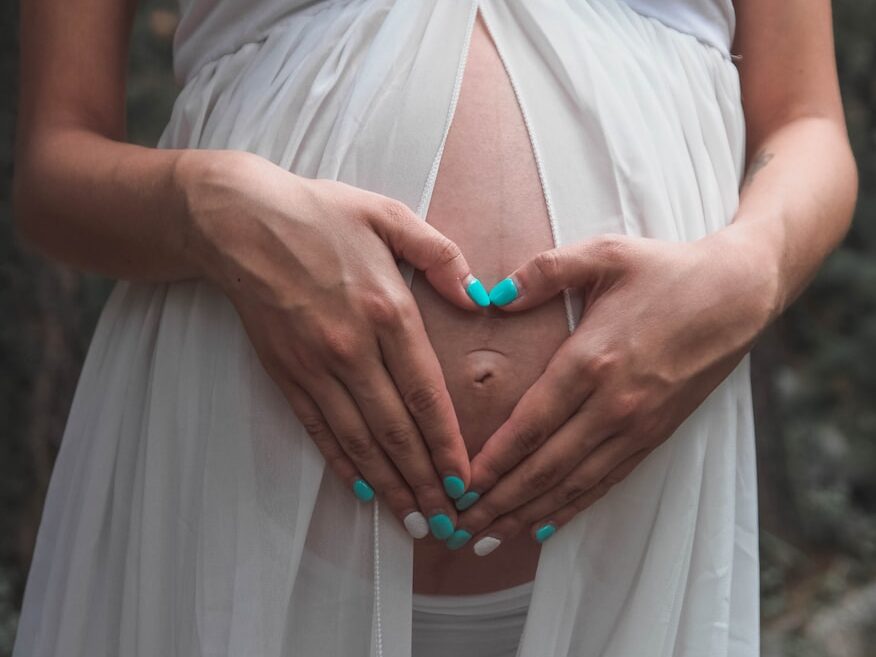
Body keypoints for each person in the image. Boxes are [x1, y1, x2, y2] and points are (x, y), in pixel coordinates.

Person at [11, 0, 857, 655]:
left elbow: (807, 121)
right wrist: (211, 207)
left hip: (638, 541)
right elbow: (55, 165)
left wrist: (754, 270)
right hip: (244, 514)